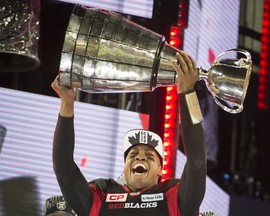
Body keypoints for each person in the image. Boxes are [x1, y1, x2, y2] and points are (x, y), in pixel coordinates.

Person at [51, 51, 207, 216]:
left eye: (150, 156)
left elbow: (197, 163)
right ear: (124, 168)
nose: (140, 157)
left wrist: (187, 92)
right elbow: (63, 167)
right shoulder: (100, 195)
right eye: (132, 154)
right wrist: (67, 104)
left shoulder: (175, 197)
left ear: (160, 169)